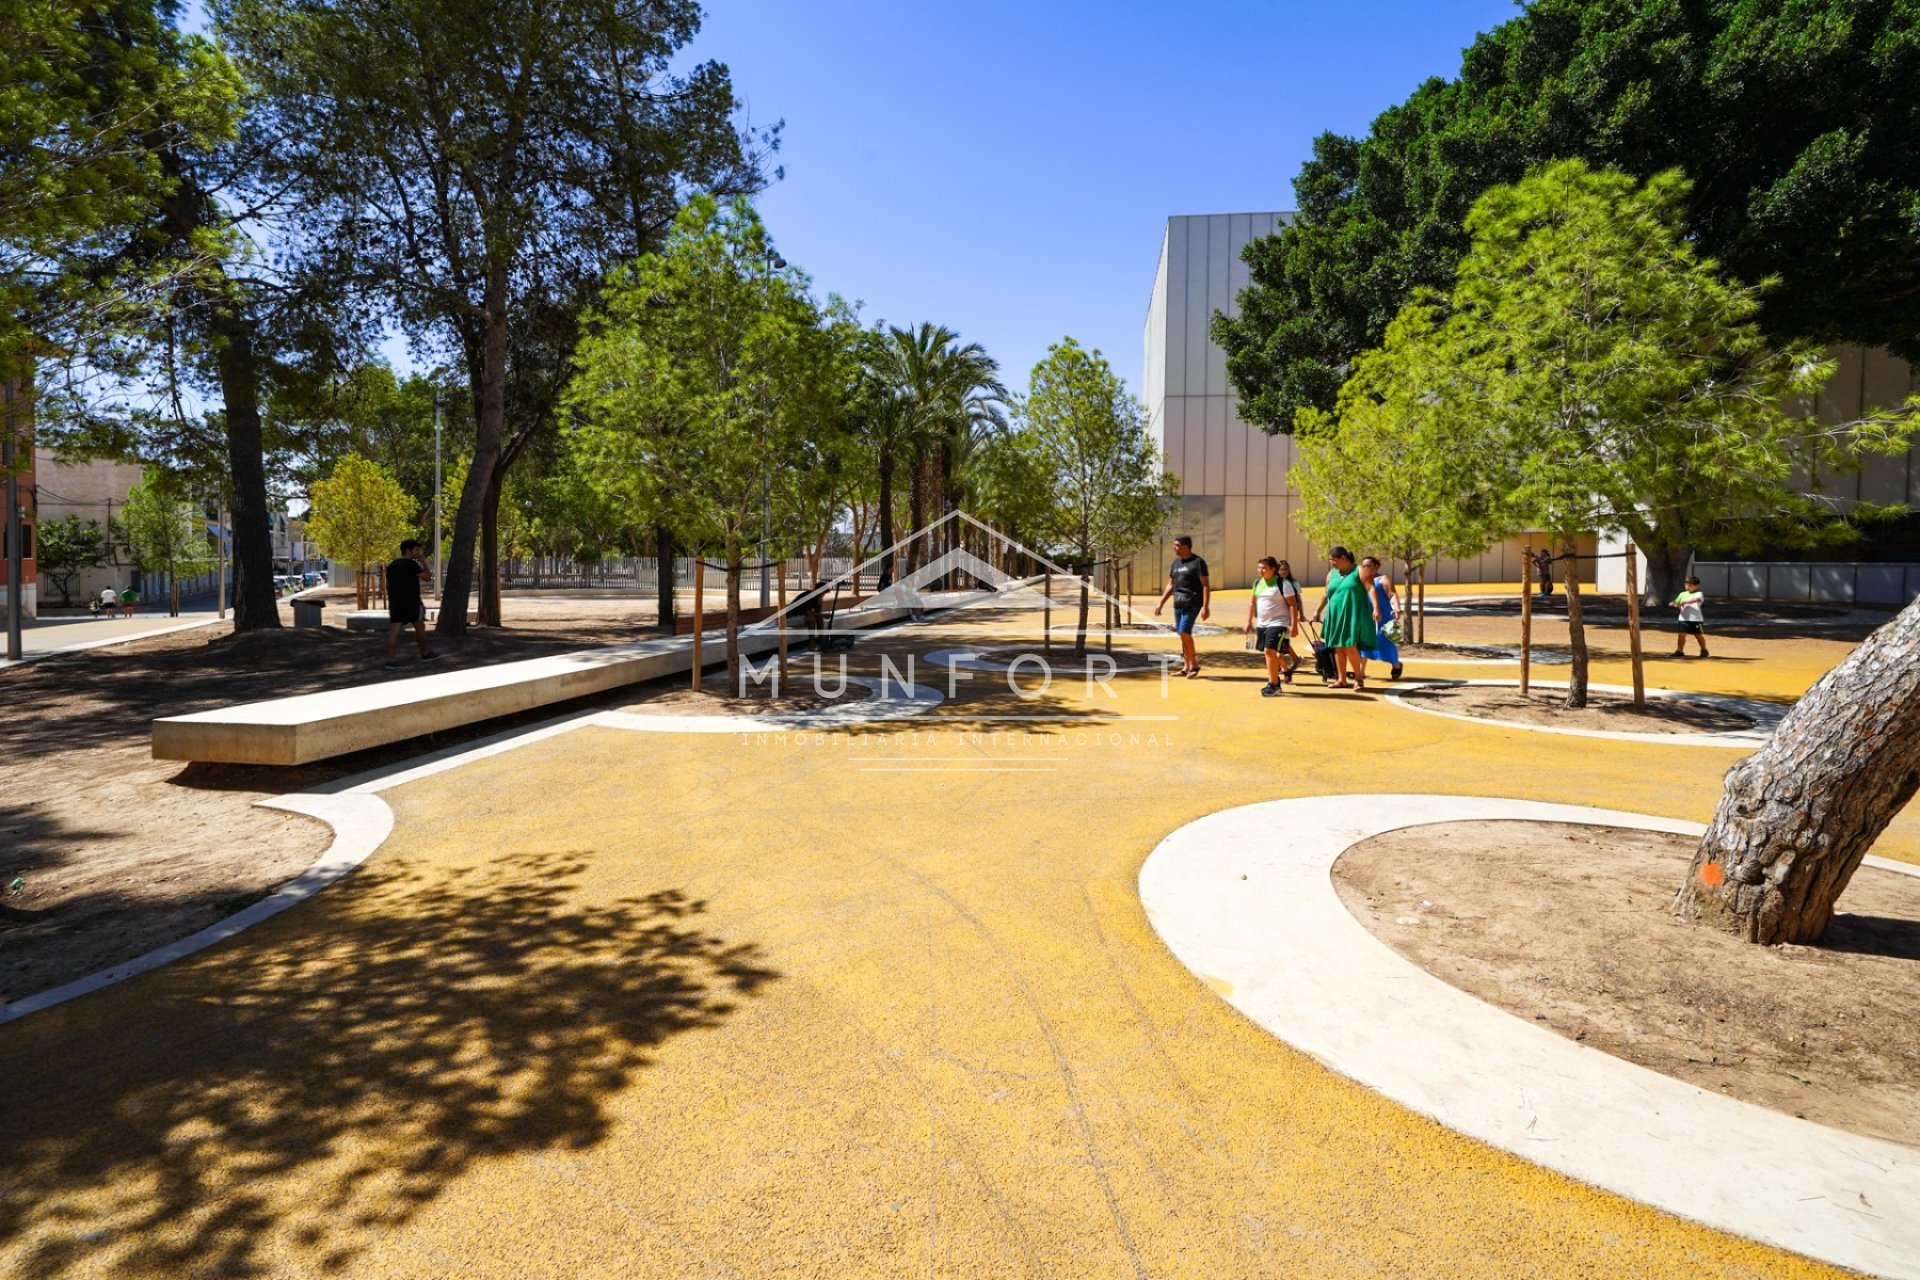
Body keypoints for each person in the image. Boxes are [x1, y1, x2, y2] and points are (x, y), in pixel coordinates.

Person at [1310, 546, 1379, 690]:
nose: (1332, 563)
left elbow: (1371, 588)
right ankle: (1341, 680)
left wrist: (1376, 608)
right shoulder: (1331, 574)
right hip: (1335, 615)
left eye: (1333, 560)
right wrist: (1318, 610)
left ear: (1343, 558)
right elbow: (1326, 593)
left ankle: (1359, 679)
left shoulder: (1359, 571)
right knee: (1338, 647)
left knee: (1349, 646)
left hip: (1351, 614)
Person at [1152, 534, 1211, 678]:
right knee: (1182, 634)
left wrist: (1205, 606)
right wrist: (1161, 603)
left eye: (1177, 545)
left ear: (1185, 547)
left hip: (1193, 602)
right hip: (1178, 603)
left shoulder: (1198, 562)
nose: (1174, 548)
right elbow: (1171, 584)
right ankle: (1186, 667)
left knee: (1185, 631)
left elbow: (1205, 585)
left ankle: (1194, 665)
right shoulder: (1176, 563)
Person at [1244, 555, 1302, 697]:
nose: (1260, 570)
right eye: (1259, 567)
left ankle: (1273, 683)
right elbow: (1252, 603)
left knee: (1269, 650)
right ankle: (1277, 680)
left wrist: (1294, 625)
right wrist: (1248, 621)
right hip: (1262, 624)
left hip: (1279, 623)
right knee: (1268, 653)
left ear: (1273, 569)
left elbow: (1293, 605)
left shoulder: (1283, 583)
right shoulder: (1257, 582)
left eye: (1264, 568)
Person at [383, 538, 440, 669]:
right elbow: (428, 577)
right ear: (408, 550)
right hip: (412, 602)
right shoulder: (412, 564)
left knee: (394, 631)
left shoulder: (392, 565)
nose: (418, 552)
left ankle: (390, 661)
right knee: (420, 628)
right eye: (416, 550)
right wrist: (423, 561)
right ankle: (424, 653)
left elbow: (387, 584)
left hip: (396, 603)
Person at [1357, 556, 1404, 681]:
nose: (1365, 568)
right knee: (1365, 642)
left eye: (1368, 565)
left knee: (1385, 641)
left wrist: (1397, 608)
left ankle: (1396, 665)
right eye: (1364, 566)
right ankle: (1361, 671)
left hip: (1384, 615)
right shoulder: (1362, 580)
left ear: (1376, 566)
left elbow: (1392, 594)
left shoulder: (1383, 579)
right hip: (1367, 616)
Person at [1670, 575, 1710, 658]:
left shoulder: (1699, 594)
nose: (1688, 587)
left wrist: (1685, 602)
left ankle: (1704, 650)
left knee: (1698, 635)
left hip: (1696, 619)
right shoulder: (1682, 594)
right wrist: (1674, 604)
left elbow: (1697, 600)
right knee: (1681, 634)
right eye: (1686, 585)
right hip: (1683, 618)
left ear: (1697, 586)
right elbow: (1677, 602)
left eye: (1691, 585)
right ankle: (1679, 651)